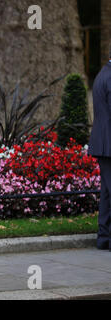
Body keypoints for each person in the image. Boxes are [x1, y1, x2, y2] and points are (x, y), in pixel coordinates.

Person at [88, 43, 111, 251]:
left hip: (103, 144)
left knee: (106, 192)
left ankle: (104, 237)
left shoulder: (103, 74)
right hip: (109, 144)